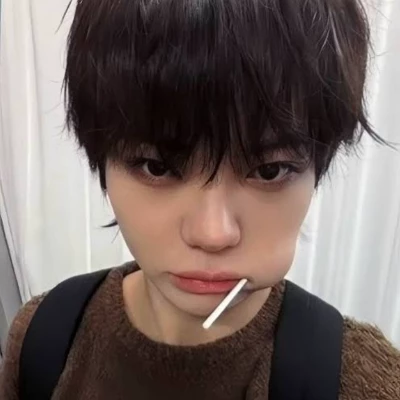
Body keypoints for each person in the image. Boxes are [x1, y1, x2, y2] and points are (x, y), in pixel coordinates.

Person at [1, 0, 400, 398]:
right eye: (157, 167)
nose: (213, 234)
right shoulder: (44, 339)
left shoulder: (365, 384)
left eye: (269, 171)